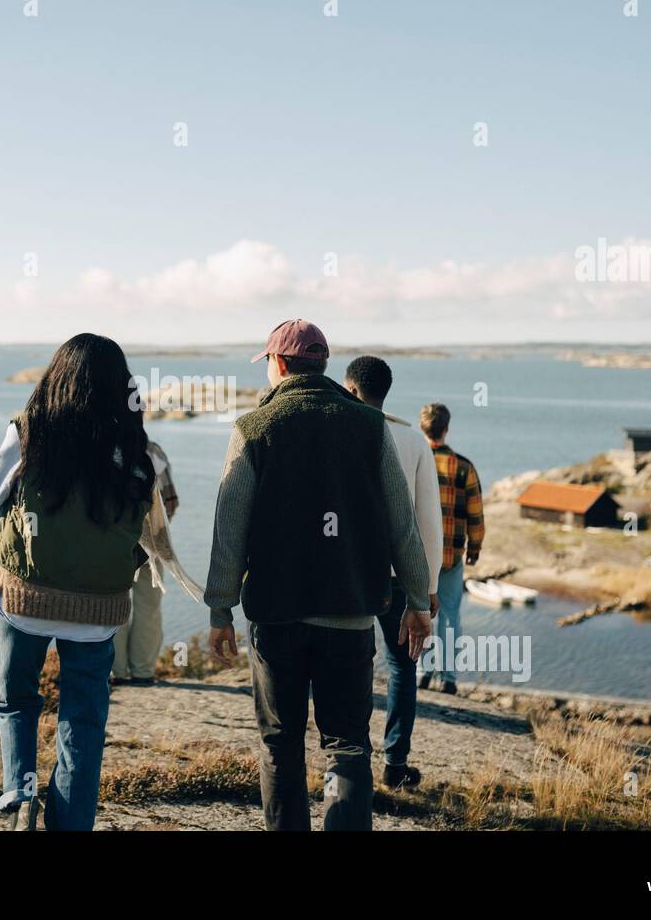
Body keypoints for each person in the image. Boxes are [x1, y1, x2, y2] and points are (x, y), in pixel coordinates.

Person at [205, 319, 431, 831]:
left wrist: (220, 607)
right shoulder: (370, 426)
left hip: (276, 617)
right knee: (347, 746)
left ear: (279, 365)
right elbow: (404, 526)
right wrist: (418, 600)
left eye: (267, 361)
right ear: (321, 365)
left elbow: (228, 527)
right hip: (349, 615)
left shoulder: (253, 429)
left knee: (281, 743)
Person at [0, 333, 155, 831]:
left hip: (25, 598)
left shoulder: (30, 432)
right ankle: (70, 824)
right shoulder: (134, 447)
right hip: (97, 611)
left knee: (17, 697)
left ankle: (20, 792)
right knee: (84, 720)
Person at [343, 356, 442, 789]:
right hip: (401, 578)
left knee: (352, 663)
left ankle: (351, 758)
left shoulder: (337, 433)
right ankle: (395, 763)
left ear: (350, 389)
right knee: (403, 668)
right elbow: (428, 521)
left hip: (349, 574)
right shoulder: (413, 439)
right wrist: (430, 588)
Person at [417, 402, 484, 696]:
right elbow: (476, 513)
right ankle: (449, 677)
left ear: (423, 428)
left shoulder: (415, 460)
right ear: (446, 428)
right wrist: (475, 546)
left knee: (419, 610)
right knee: (450, 615)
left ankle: (422, 671)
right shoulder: (464, 467)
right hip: (451, 554)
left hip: (418, 556)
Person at [111, 439, 179, 686]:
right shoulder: (151, 451)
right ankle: (143, 671)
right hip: (150, 542)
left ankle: (115, 671)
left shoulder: (100, 447)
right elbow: (170, 500)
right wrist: (156, 532)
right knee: (148, 607)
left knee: (111, 603)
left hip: (110, 543)